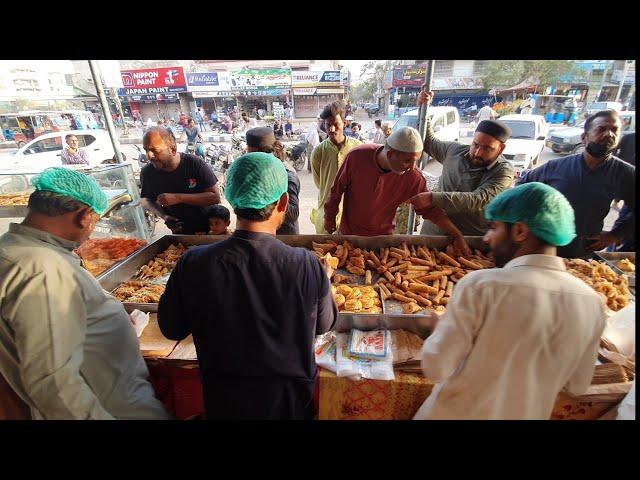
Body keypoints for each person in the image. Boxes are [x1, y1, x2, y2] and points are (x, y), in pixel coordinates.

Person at [158, 152, 337, 419]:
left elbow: (171, 328)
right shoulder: (307, 265)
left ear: (232, 200)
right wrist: (325, 283)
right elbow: (325, 324)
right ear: (284, 203)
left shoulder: (193, 263)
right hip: (289, 404)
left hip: (225, 402)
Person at [413, 182, 606, 420]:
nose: (487, 238)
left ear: (520, 231)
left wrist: (438, 332)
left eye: (494, 228)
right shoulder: (592, 303)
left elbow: (436, 367)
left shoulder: (481, 286)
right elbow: (577, 385)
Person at [0, 168, 170, 420]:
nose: (92, 231)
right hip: (112, 408)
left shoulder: (15, 249)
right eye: (96, 222)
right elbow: (53, 382)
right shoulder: (42, 270)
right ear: (84, 217)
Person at [324, 127, 471, 254]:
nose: (413, 167)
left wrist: (457, 235)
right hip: (349, 235)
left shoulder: (413, 178)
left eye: (417, 161)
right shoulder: (357, 157)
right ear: (390, 154)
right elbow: (336, 191)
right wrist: (329, 219)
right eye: (408, 160)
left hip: (383, 240)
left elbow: (430, 210)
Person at [517, 110, 635, 258]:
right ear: (584, 138)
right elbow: (522, 187)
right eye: (602, 129)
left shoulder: (625, 173)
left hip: (582, 253)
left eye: (614, 130)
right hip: (545, 249)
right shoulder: (556, 167)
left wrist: (614, 235)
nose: (609, 134)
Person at [409, 90, 515, 237]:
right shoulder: (455, 150)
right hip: (433, 234)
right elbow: (427, 142)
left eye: (487, 148)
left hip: (468, 240)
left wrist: (432, 198)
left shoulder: (503, 171)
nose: (478, 152)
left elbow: (477, 199)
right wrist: (423, 108)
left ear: (501, 148)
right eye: (476, 145)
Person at [140, 127, 221, 235]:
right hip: (181, 231)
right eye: (146, 150)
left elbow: (215, 197)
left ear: (173, 149)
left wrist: (178, 198)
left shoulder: (194, 164)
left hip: (209, 229)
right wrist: (164, 216)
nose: (149, 156)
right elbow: (147, 199)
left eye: (155, 150)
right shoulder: (147, 172)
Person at [310, 100, 362, 233]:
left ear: (345, 123)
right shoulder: (318, 152)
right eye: (328, 125)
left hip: (353, 213)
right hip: (326, 213)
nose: (332, 129)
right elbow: (319, 183)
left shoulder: (358, 148)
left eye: (336, 124)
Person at [246, 127, 300, 235]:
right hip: (261, 234)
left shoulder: (286, 175)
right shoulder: (254, 173)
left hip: (284, 236)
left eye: (254, 156)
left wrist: (266, 198)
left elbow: (293, 213)